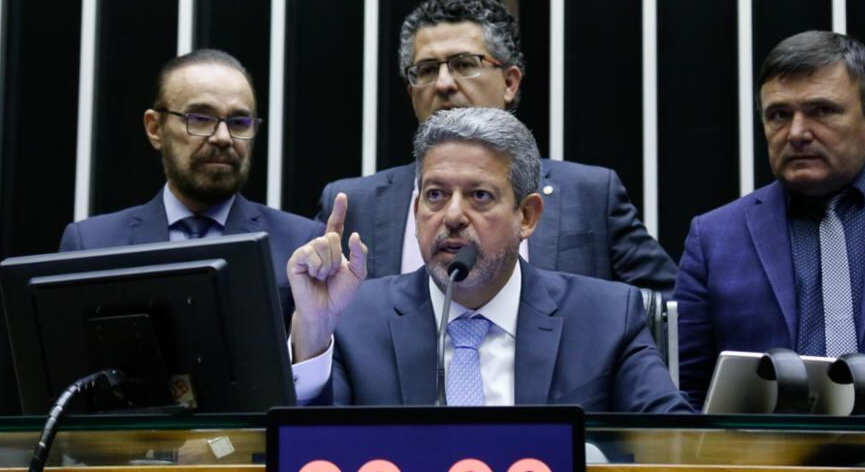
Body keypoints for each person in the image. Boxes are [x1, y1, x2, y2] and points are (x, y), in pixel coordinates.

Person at [290, 107, 691, 411]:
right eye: (435, 195)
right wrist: (313, 331)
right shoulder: (355, 318)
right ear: (416, 213)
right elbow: (308, 451)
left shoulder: (606, 318)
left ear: (527, 216)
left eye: (479, 196)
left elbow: (677, 443)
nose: (452, 216)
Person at [673, 31, 865, 417]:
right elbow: (683, 390)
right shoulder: (715, 238)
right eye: (779, 115)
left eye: (822, 110)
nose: (797, 133)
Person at [316, 0, 677, 294]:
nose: (443, 83)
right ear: (412, 92)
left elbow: (669, 310)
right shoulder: (353, 204)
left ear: (509, 83)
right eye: (426, 70)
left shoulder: (590, 194)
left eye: (463, 64)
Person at [59, 49, 324, 315]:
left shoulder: (300, 243)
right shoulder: (91, 245)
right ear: (154, 128)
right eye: (200, 119)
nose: (223, 137)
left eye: (239, 122)